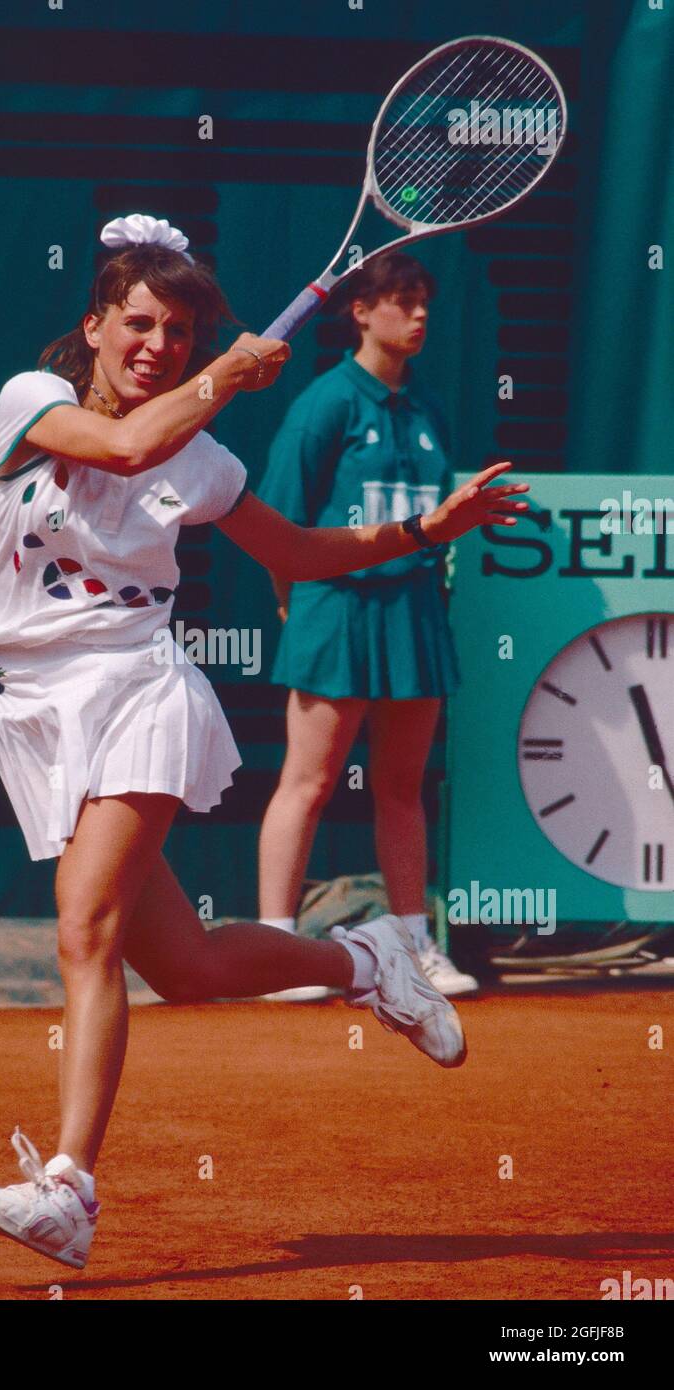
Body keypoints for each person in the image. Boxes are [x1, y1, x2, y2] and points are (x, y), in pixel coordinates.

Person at [0, 215, 529, 1270]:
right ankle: (368, 961)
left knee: (85, 926)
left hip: (138, 690)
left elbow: (299, 550)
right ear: (92, 326)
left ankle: (70, 1191)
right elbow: (124, 443)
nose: (157, 344)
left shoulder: (208, 459)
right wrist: (225, 373)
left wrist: (422, 532)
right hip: (32, 709)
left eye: (179, 331)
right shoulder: (28, 405)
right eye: (138, 322)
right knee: (186, 964)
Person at [255, 252, 480, 999]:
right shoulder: (324, 404)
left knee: (401, 786)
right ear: (360, 310)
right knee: (307, 782)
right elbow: (279, 523)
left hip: (412, 614)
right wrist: (295, 603)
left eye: (424, 304)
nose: (417, 316)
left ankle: (416, 948)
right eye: (402, 302)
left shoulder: (425, 410)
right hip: (334, 611)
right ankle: (276, 951)